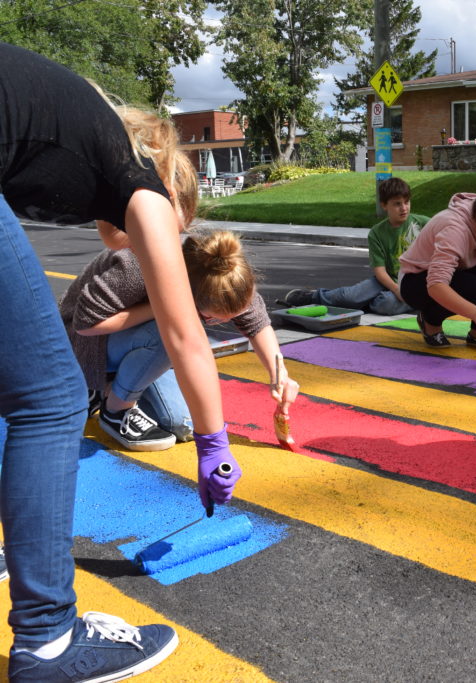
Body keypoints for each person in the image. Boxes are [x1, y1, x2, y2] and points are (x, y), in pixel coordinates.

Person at [0, 42, 238, 681]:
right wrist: (214, 441)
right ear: (172, 190)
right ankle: (48, 641)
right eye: (177, 224)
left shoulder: (78, 140)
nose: (166, 238)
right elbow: (185, 332)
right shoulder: (143, 185)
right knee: (49, 397)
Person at [60, 230, 299, 451]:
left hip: (138, 339)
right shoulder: (137, 265)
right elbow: (86, 325)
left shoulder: (223, 274)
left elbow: (256, 323)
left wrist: (279, 375)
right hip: (83, 343)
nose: (215, 323)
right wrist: (164, 305)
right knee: (173, 328)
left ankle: (106, 387)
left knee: (182, 423)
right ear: (188, 294)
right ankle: (114, 410)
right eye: (212, 318)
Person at [398, 173, 476, 348]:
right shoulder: (454, 227)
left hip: (455, 272)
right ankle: (430, 322)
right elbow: (436, 285)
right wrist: (475, 312)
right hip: (415, 281)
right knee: (475, 289)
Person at [281, 177, 429, 315]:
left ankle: (370, 302)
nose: (404, 208)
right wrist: (397, 290)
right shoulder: (377, 233)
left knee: (386, 304)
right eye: (397, 204)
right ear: (384, 205)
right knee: (349, 296)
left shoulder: (424, 224)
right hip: (387, 281)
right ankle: (312, 297)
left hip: (415, 285)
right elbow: (380, 271)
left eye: (407, 202)